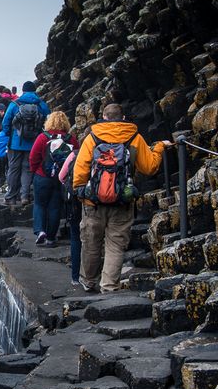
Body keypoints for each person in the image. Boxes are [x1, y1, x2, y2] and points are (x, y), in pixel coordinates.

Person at [72, 103, 172, 292]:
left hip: (93, 201)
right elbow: (149, 167)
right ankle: (109, 285)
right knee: (116, 244)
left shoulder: (92, 137)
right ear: (123, 118)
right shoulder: (134, 137)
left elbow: (81, 167)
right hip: (122, 200)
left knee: (91, 242)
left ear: (103, 116)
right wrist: (159, 148)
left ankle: (89, 281)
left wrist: (80, 191)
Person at [29, 112, 78, 247]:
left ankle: (40, 231)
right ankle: (51, 238)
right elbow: (76, 158)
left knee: (39, 204)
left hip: (42, 176)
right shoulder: (71, 139)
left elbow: (33, 157)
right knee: (55, 207)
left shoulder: (42, 137)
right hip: (61, 179)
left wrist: (35, 171)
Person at [1, 81, 49, 205]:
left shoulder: (15, 104)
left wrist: (9, 134)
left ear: (23, 91)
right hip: (33, 143)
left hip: (15, 143)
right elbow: (48, 118)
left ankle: (11, 197)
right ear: (35, 90)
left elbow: (6, 122)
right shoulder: (40, 104)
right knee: (27, 169)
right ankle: (24, 196)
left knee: (13, 169)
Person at [58, 147, 81, 287]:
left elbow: (61, 177)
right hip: (100, 202)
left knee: (76, 238)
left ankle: (76, 277)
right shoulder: (112, 151)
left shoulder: (75, 154)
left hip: (76, 202)